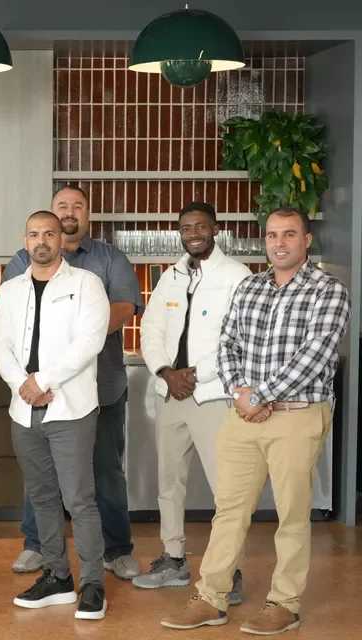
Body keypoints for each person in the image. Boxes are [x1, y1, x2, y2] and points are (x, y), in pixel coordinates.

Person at [162, 208, 351, 635]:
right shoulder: (250, 286)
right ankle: (210, 598)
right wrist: (241, 393)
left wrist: (259, 396)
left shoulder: (328, 291)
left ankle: (284, 605)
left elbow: (315, 356)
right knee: (228, 511)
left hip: (297, 417)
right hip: (243, 415)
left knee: (292, 516)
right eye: (271, 235)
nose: (279, 243)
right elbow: (226, 343)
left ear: (306, 240)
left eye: (289, 234)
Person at [4, 184, 144, 580]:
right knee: (42, 479)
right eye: (61, 206)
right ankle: (38, 546)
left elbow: (122, 308)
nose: (69, 212)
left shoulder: (108, 258)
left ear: (87, 214)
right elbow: (15, 318)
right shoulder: (22, 260)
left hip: (100, 386)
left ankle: (116, 550)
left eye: (77, 206)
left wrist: (86, 328)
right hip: (35, 393)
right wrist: (36, 377)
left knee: (103, 474)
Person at [0, 211, 110, 620]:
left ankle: (93, 583)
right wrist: (22, 385)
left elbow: (90, 341)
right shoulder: (9, 290)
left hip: (71, 408)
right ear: (25, 240)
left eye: (49, 233)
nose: (41, 240)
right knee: (41, 496)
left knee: (80, 499)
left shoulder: (87, 284)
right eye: (34, 234)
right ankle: (58, 575)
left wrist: (42, 380)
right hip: (24, 410)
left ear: (62, 239)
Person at [135, 202, 250, 597]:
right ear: (179, 232)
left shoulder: (236, 276)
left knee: (226, 489)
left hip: (212, 397)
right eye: (186, 228)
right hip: (171, 394)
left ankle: (228, 571)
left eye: (201, 226)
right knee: (169, 484)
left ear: (215, 229)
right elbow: (149, 327)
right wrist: (166, 372)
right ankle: (174, 560)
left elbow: (237, 339)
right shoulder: (171, 276)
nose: (193, 233)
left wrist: (196, 374)